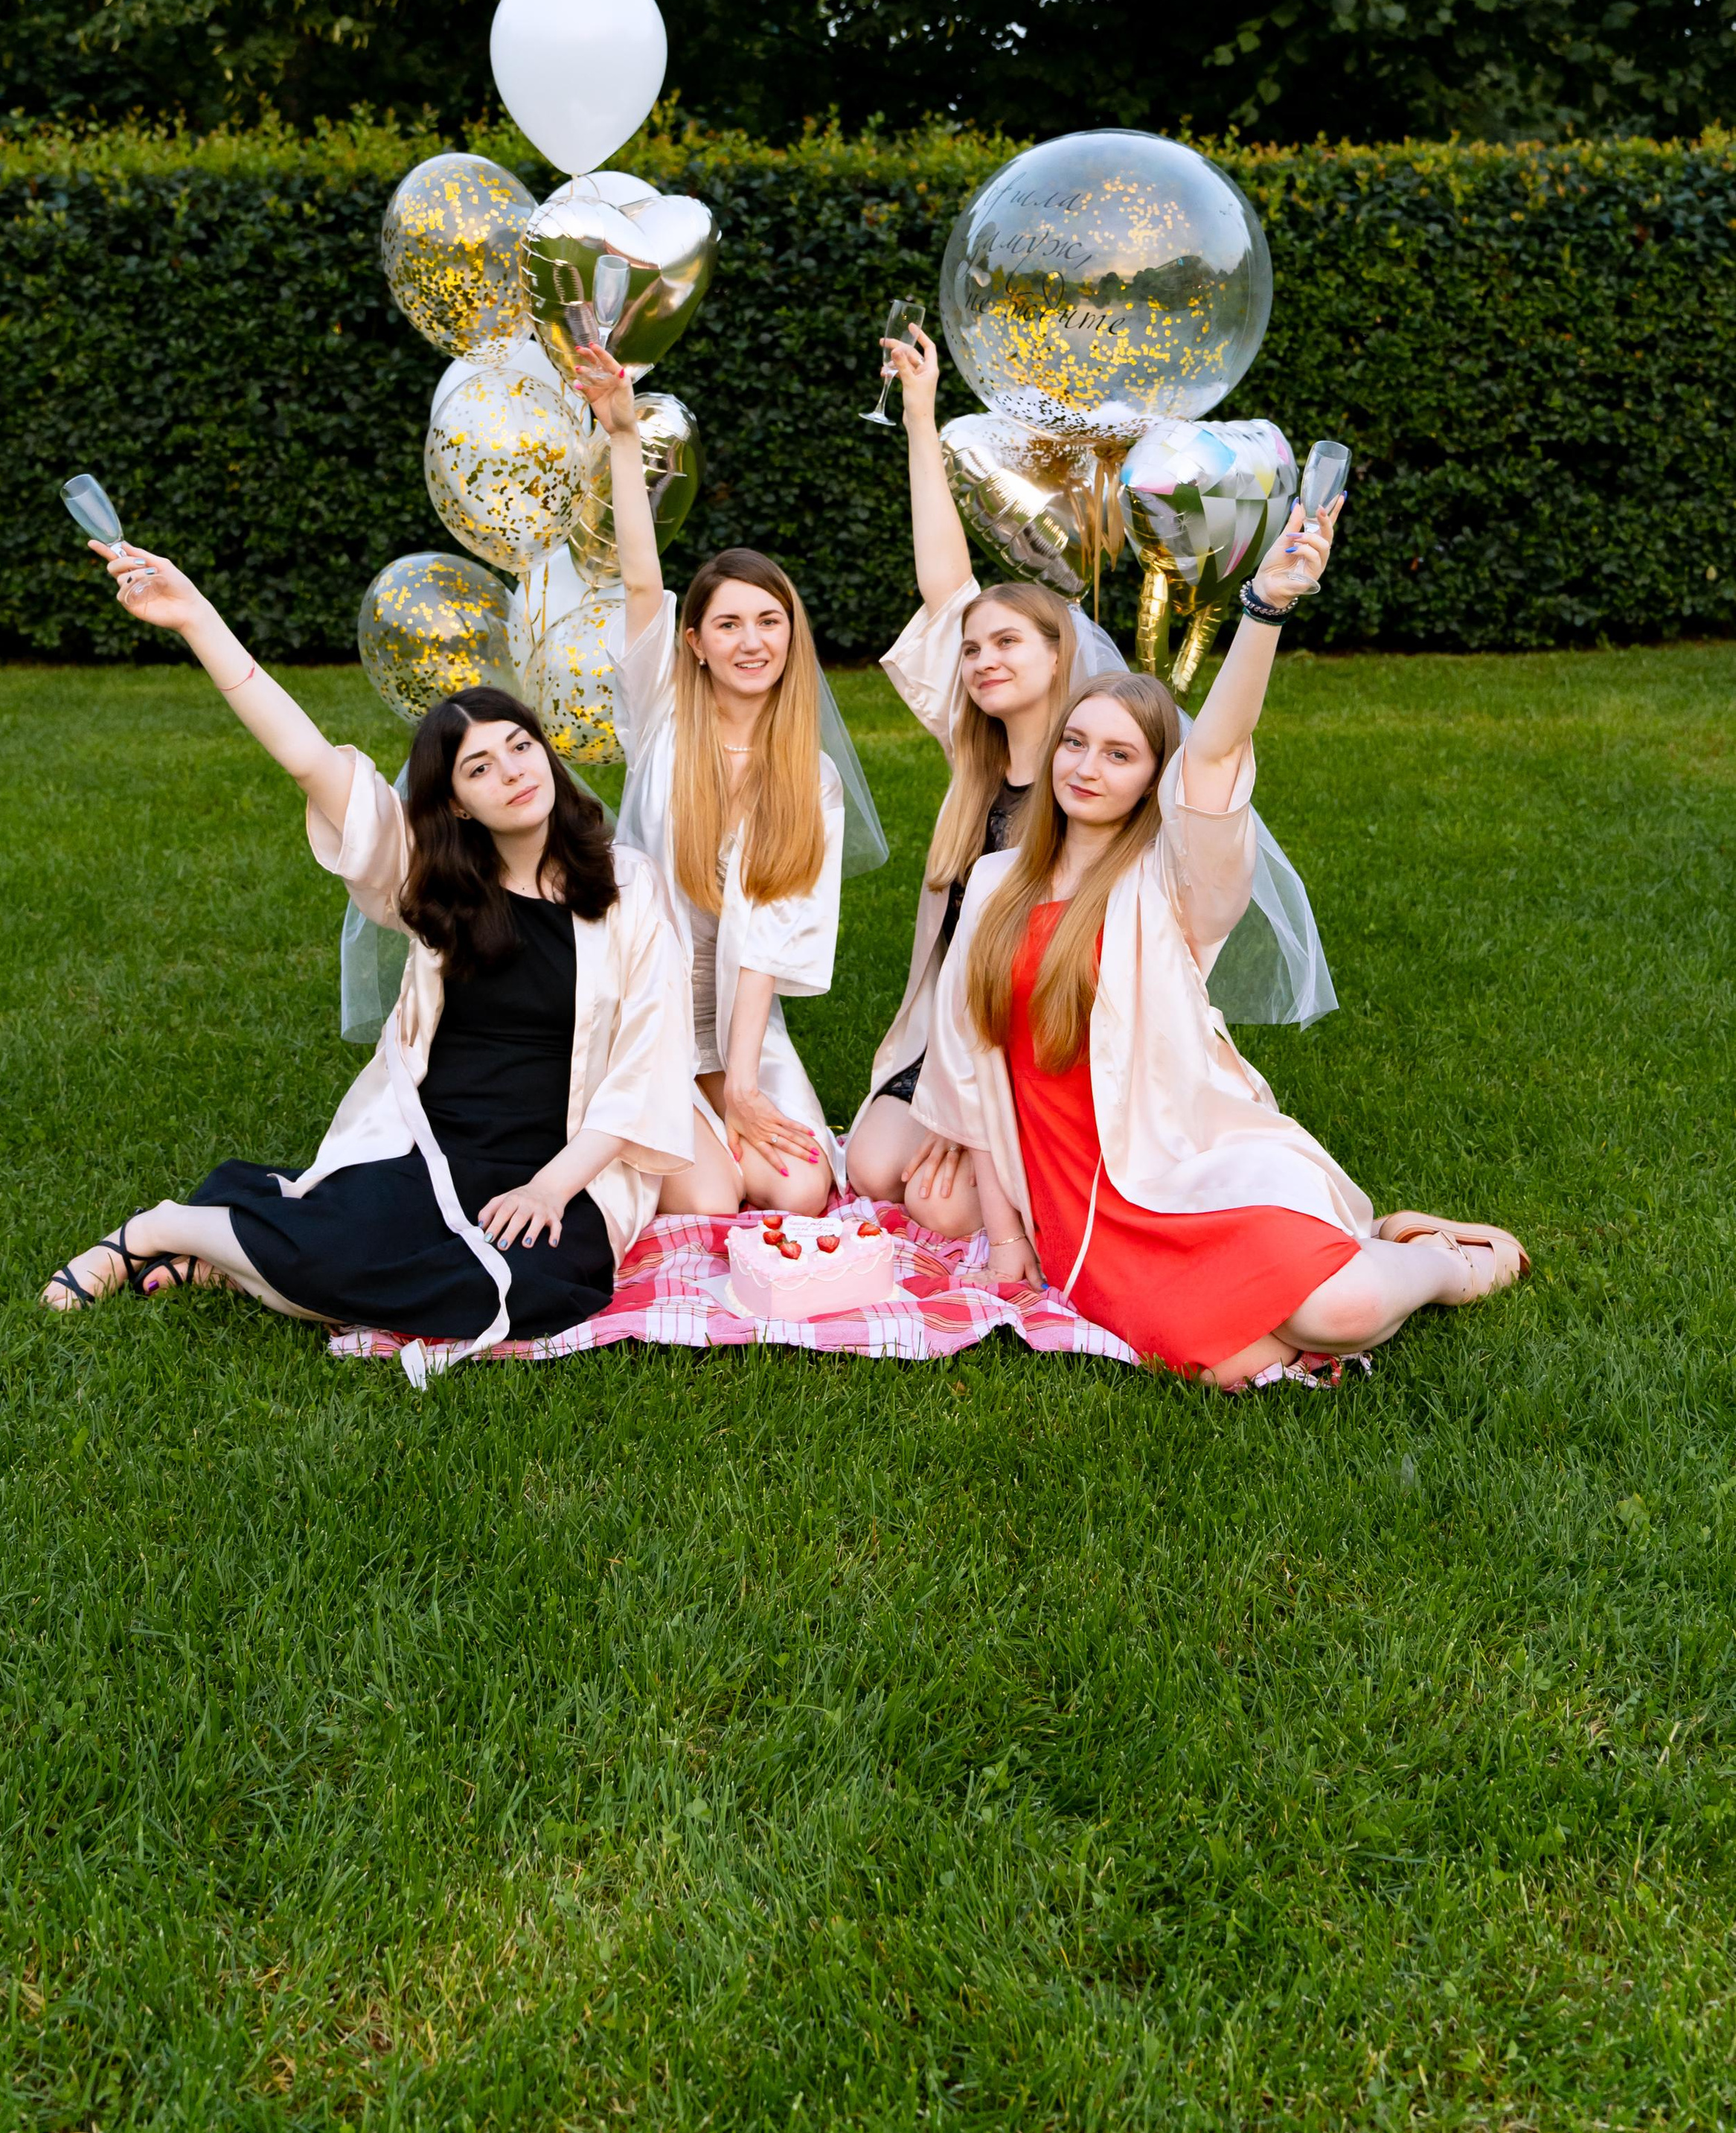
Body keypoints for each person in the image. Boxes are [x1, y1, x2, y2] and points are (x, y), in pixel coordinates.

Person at [910, 508, 1529, 1388]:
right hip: (1079, 1202)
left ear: (1154, 779)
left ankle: (1440, 1262)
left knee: (1337, 1315)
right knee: (1237, 1362)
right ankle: (1349, 1273)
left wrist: (1263, 613)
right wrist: (1008, 1237)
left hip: (1185, 1165)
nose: (1087, 767)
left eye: (1120, 755)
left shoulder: (1170, 885)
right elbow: (972, 1068)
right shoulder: (998, 883)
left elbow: (1218, 746)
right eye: (1076, 743)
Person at [41, 540, 694, 1346]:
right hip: (436, 1141)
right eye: (479, 768)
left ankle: (230, 1259)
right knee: (364, 1261)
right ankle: (163, 1226)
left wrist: (552, 1190)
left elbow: (644, 1064)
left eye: (520, 747)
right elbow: (310, 761)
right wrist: (196, 620)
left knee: (530, 1295)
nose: (513, 772)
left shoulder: (627, 886)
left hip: (563, 1158)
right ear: (455, 804)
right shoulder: (437, 879)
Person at [842, 323, 1131, 1238]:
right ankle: (956, 1137)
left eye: (1008, 642)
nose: (981, 658)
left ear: (1060, 657)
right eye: (972, 649)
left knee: (938, 1203)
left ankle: (1013, 1167)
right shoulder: (973, 760)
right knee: (871, 1166)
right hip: (946, 1035)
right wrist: (920, 418)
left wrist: (972, 1132)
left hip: (1041, 1053)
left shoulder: (1087, 775)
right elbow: (944, 586)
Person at [572, 342, 845, 1218]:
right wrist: (622, 438)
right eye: (726, 624)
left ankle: (734, 1104)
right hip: (643, 1023)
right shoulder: (663, 721)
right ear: (694, 643)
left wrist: (740, 1085)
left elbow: (767, 944)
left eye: (770, 621)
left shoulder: (812, 779)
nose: (751, 640)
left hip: (737, 1022)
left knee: (798, 1191)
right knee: (711, 1200)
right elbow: (642, 580)